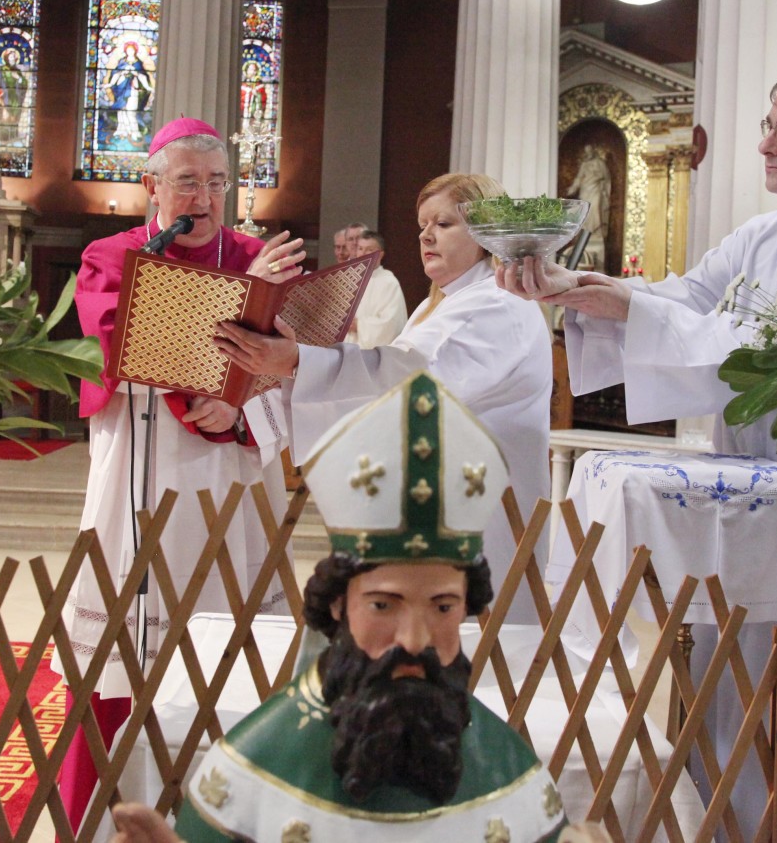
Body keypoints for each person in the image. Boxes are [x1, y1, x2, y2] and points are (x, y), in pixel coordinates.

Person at [497, 57, 777, 843]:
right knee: (739, 667)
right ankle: (730, 825)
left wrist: (629, 303)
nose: (764, 144)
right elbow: (684, 302)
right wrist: (576, 289)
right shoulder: (762, 233)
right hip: (755, 482)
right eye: (766, 125)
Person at [114, 372, 569, 842]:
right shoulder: (249, 779)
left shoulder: (514, 782)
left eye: (443, 608)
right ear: (338, 606)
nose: (414, 639)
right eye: (383, 605)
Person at [55, 117, 307, 831]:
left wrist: (244, 407)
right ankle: (104, 825)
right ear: (152, 186)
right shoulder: (113, 254)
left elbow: (300, 374)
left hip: (233, 481)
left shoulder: (256, 255)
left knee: (234, 666)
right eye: (189, 180)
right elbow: (123, 348)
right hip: (140, 478)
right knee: (117, 665)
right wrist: (236, 315)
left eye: (218, 182)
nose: (205, 195)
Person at [214, 173, 553, 620]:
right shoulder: (444, 303)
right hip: (439, 500)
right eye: (421, 226)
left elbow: (413, 377)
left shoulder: (497, 303)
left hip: (480, 506)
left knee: (475, 651)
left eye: (444, 224)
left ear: (486, 233)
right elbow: (385, 385)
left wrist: (299, 362)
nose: (426, 236)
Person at [344, 230, 408, 348]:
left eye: (369, 249)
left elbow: (392, 325)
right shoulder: (349, 278)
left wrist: (359, 325)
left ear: (380, 254)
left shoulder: (389, 282)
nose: (363, 254)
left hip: (370, 354)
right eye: (360, 249)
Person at [565, 144, 611, 271]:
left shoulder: (600, 163)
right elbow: (579, 179)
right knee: (585, 213)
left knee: (595, 211)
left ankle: (595, 233)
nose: (588, 153)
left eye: (590, 151)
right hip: (586, 191)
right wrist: (572, 189)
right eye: (586, 151)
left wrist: (601, 183)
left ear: (593, 152)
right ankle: (585, 233)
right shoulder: (584, 165)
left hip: (596, 190)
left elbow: (606, 178)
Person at [105, 42, 153, 145]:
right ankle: (121, 130)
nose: (130, 51)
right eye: (128, 50)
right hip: (122, 90)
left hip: (133, 90)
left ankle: (134, 131)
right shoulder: (122, 62)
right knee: (121, 111)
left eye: (132, 50)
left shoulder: (138, 63)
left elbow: (143, 76)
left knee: (131, 112)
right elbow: (115, 74)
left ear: (135, 51)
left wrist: (135, 73)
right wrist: (122, 73)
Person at [0, 47, 28, 142]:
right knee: (3, 116)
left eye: (14, 57)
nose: (13, 58)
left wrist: (19, 78)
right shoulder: (1, 70)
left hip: (15, 98)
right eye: (11, 57)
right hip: (4, 96)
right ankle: (1, 137)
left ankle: (13, 137)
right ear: (7, 58)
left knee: (14, 117)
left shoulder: (17, 71)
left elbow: (24, 83)